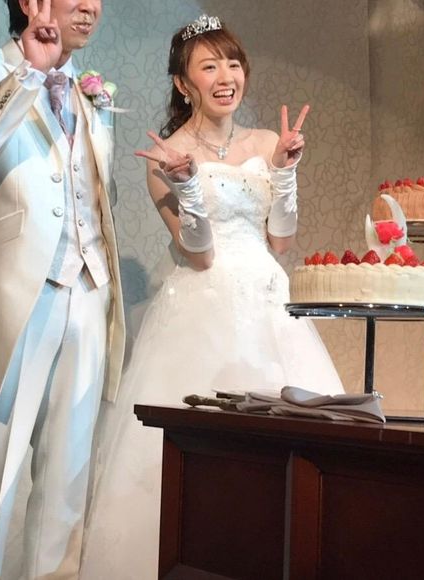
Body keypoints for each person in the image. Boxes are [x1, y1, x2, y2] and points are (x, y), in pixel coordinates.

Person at [79, 14, 344, 579]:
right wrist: (187, 187)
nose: (226, 77)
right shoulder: (166, 155)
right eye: (209, 66)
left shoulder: (267, 143)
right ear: (183, 83)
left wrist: (286, 172)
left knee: (288, 452)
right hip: (201, 309)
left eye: (233, 64)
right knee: (199, 461)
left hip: (269, 304)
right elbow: (198, 254)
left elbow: (280, 241)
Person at [0, 0, 125, 578]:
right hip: (15, 294)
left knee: (68, 471)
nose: (92, 7)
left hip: (88, 289)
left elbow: (96, 192)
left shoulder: (93, 91)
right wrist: (27, 75)